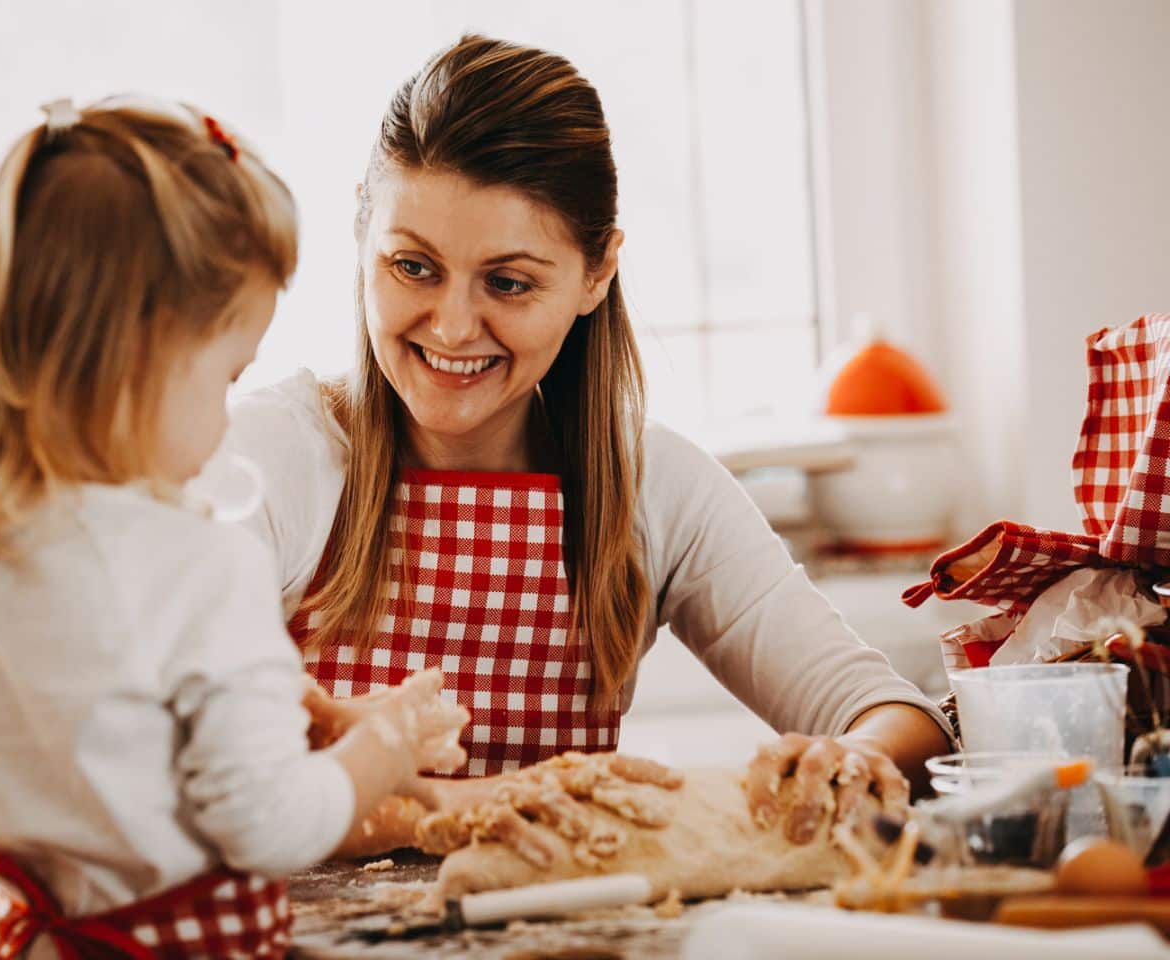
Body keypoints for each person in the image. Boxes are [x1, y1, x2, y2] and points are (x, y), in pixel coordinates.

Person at [229, 34, 954, 853]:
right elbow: (208, 780)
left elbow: (897, 721)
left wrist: (850, 758)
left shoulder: (655, 486)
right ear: (364, 231)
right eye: (413, 267)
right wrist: (495, 802)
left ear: (597, 271)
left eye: (508, 282)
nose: (453, 325)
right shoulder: (268, 460)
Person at [0, 96, 466, 959]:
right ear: (141, 356)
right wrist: (382, 752)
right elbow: (269, 827)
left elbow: (107, 744)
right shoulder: (198, 563)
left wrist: (292, 711)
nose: (228, 410)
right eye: (228, 372)